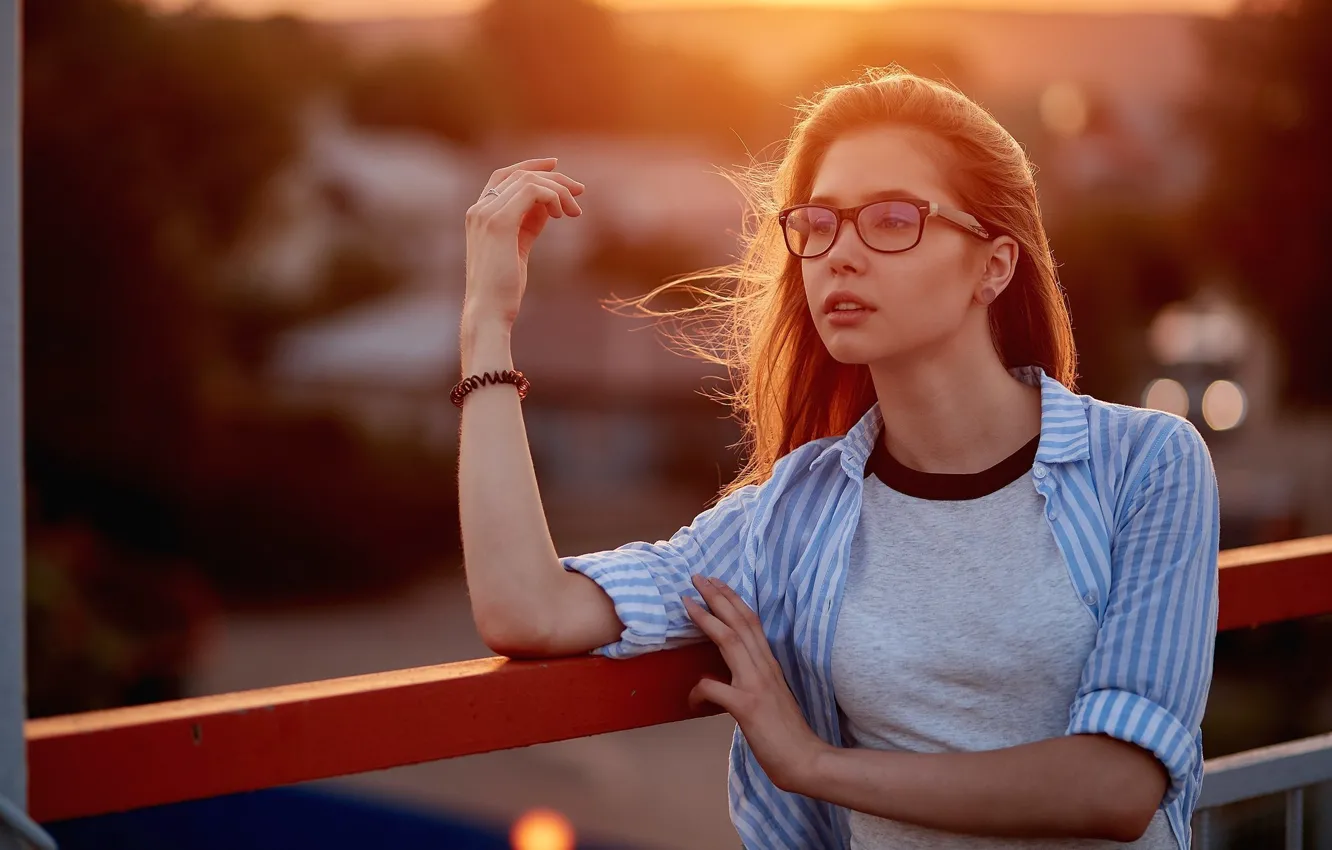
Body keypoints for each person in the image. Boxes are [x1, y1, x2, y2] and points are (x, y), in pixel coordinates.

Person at [457, 67, 1218, 850]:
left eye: (892, 219)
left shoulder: (1145, 465)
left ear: (994, 265)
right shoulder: (794, 511)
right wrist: (487, 319)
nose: (838, 255)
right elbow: (527, 609)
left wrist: (814, 764)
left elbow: (1117, 785)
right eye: (818, 223)